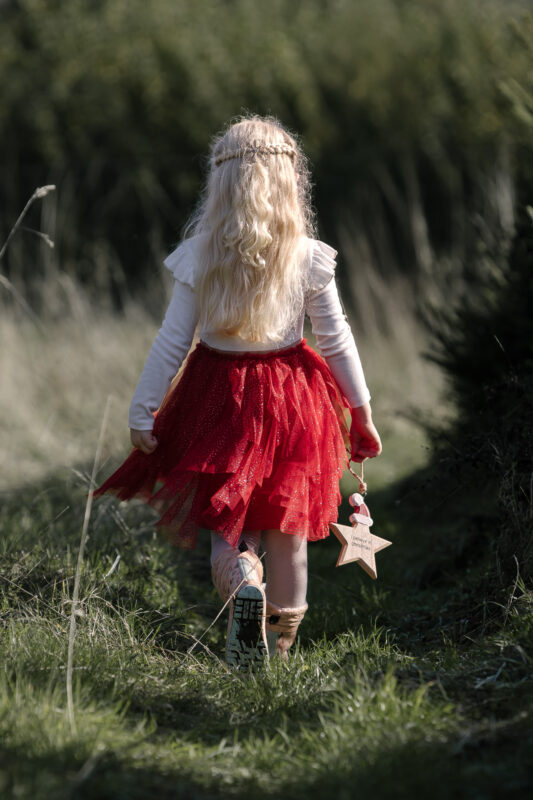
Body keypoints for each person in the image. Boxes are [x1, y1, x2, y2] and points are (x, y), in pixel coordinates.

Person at [95, 115, 382, 668]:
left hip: (217, 397)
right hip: (295, 400)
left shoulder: (201, 254)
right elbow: (336, 338)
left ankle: (242, 590)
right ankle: (278, 650)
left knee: (232, 523)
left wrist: (143, 408)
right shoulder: (306, 256)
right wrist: (361, 411)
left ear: (219, 183)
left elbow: (173, 340)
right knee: (289, 527)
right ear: (289, 183)